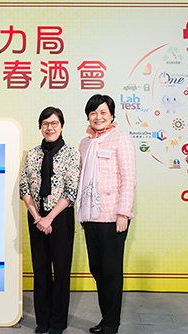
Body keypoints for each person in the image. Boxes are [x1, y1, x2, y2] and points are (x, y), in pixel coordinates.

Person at [77, 94, 136, 334]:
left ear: (112, 115)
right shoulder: (84, 143)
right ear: (88, 116)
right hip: (90, 216)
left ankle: (112, 323)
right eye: (93, 113)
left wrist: (123, 213)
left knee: (111, 271)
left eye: (103, 112)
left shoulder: (121, 139)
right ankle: (105, 318)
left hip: (113, 216)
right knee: (97, 269)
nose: (98, 117)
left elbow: (129, 178)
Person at [19, 107, 80, 334]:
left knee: (61, 272)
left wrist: (49, 218)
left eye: (54, 123)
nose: (50, 127)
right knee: (41, 270)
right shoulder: (32, 154)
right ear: (40, 127)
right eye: (45, 123)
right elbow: (24, 187)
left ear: (61, 126)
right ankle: (42, 321)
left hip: (60, 219)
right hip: (36, 218)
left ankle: (57, 323)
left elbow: (71, 191)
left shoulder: (72, 154)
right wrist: (37, 217)